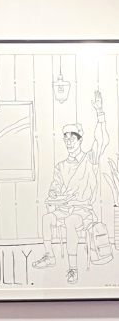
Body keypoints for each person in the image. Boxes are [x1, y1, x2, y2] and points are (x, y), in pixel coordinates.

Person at [32, 91, 109, 284]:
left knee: (71, 221)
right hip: (65, 209)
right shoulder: (61, 166)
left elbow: (101, 140)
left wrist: (100, 113)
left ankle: (72, 268)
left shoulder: (90, 159)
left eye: (71, 138)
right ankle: (50, 256)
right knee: (47, 218)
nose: (68, 142)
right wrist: (57, 198)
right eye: (65, 138)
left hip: (83, 212)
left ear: (80, 140)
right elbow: (53, 191)